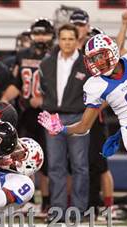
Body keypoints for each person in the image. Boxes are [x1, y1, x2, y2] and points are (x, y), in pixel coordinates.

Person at [38, 34, 127, 160]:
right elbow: (84, 126)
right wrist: (63, 128)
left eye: (101, 56)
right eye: (93, 59)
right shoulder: (95, 85)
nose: (98, 63)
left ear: (113, 51)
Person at [37, 24, 92, 216]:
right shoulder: (47, 63)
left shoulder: (87, 64)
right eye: (63, 38)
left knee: (79, 165)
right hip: (53, 117)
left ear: (77, 40)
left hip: (78, 116)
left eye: (71, 39)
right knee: (55, 165)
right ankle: (58, 208)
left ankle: (79, 209)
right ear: (58, 40)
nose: (67, 42)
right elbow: (43, 89)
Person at [1, 18, 55, 213]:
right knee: (22, 157)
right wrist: (4, 99)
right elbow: (17, 82)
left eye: (45, 33)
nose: (41, 37)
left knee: (48, 160)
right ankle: (27, 199)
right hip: (25, 112)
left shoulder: (57, 54)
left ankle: (48, 202)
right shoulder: (23, 54)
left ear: (51, 35)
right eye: (37, 33)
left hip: (49, 113)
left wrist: (44, 100)